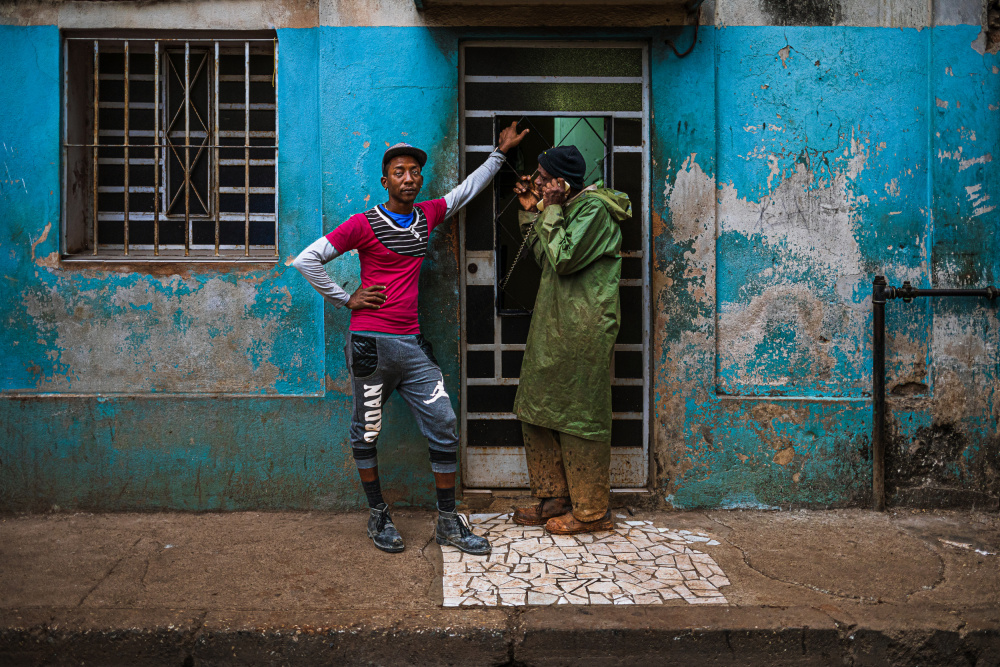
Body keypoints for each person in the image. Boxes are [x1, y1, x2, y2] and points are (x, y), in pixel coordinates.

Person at [293, 123, 527, 553]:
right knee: (366, 431)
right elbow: (308, 260)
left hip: (412, 345)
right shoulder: (362, 224)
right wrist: (347, 299)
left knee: (443, 424)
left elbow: (464, 191)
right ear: (386, 181)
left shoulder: (427, 215)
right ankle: (378, 514)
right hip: (370, 345)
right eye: (400, 171)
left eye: (415, 171)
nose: (409, 178)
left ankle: (446, 523)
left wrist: (499, 154)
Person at [509, 145, 631, 535]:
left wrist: (552, 208)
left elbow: (564, 258)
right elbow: (545, 257)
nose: (538, 182)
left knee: (581, 416)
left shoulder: (594, 210)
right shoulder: (562, 208)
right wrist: (533, 211)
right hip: (553, 324)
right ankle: (553, 496)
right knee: (535, 406)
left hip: (584, 327)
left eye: (543, 178)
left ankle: (593, 511)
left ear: (562, 181)